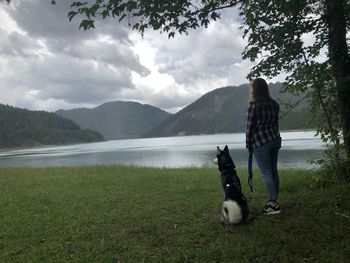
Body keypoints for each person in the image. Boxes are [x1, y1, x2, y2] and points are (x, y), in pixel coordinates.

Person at [246, 78, 282, 214]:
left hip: (261, 142)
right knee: (273, 170)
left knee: (266, 173)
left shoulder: (253, 105)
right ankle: (274, 199)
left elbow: (249, 128)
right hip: (275, 140)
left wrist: (248, 144)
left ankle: (272, 204)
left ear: (254, 89)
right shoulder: (274, 104)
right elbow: (276, 124)